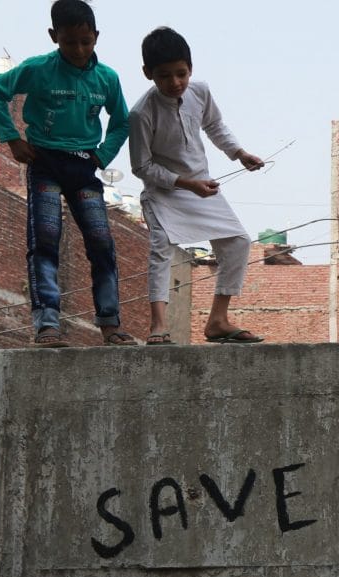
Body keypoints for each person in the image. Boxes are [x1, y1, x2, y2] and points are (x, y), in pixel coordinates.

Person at [0, 0, 135, 347]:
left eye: (86, 41)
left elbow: (122, 121)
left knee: (101, 243)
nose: (79, 50)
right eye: (69, 42)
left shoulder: (107, 78)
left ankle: (110, 323)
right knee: (45, 241)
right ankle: (47, 324)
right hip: (45, 163)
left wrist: (102, 155)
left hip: (84, 167)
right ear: (54, 36)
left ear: (96, 36)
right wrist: (11, 138)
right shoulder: (38, 69)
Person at [129, 27, 265, 345]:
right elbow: (142, 167)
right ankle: (158, 325)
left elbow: (215, 125)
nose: (175, 83)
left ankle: (217, 320)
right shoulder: (141, 113)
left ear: (191, 68)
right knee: (161, 249)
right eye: (165, 76)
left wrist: (239, 153)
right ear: (148, 73)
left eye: (181, 73)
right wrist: (185, 183)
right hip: (164, 192)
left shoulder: (200, 92)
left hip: (201, 186)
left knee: (238, 242)